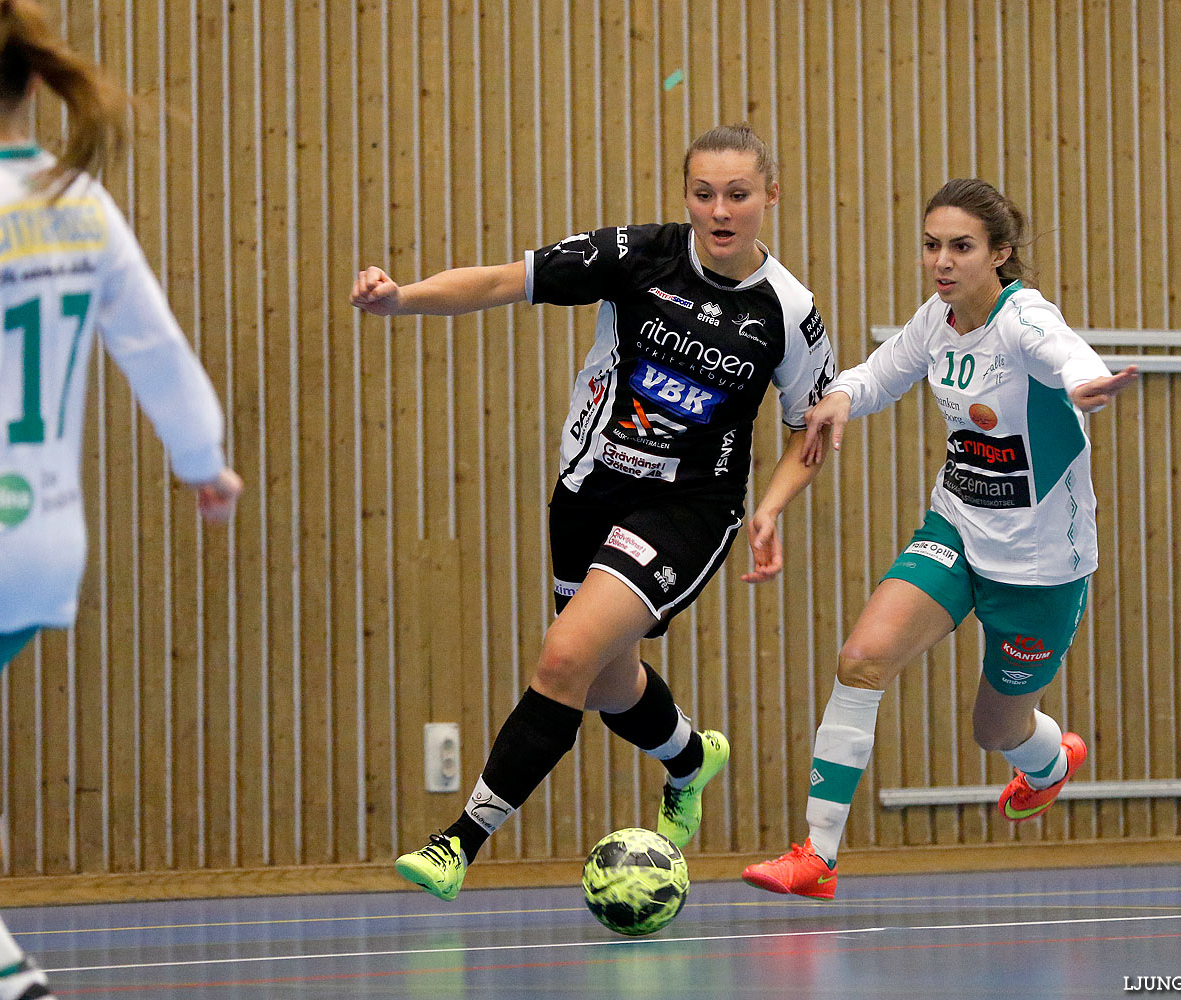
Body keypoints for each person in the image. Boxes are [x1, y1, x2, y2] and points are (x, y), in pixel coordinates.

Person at [352, 123, 837, 901]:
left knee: (564, 658)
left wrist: (769, 509)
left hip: (688, 509)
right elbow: (500, 282)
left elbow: (809, 431)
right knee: (612, 683)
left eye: (738, 195)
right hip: (587, 492)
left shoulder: (787, 310)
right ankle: (688, 759)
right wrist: (403, 299)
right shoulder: (637, 255)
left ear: (770, 198)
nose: (720, 210)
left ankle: (459, 841)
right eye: (703, 193)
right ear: (686, 196)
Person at [0, 2, 242, 995]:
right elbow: (155, 349)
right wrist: (205, 462)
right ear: (29, 80)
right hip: (43, 545)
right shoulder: (79, 205)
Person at [741, 178, 1138, 899]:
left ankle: (1050, 762)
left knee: (996, 730)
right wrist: (838, 397)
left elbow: (1065, 354)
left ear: (999, 254)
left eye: (961, 247)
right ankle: (816, 857)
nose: (942, 261)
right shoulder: (938, 320)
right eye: (932, 246)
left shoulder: (1024, 320)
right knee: (861, 657)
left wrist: (1087, 384)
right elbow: (879, 375)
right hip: (956, 526)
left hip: (1040, 564)